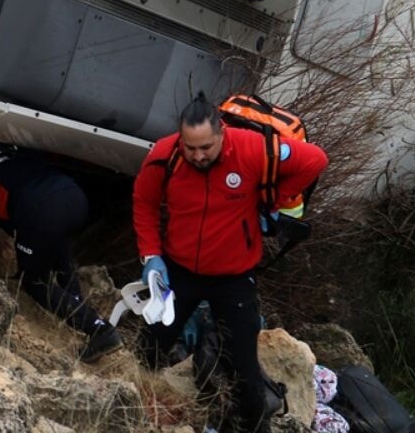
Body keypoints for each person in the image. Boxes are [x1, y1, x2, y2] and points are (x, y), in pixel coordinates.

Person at [132, 93, 327, 433]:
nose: (198, 155)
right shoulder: (165, 155)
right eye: (190, 147)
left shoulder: (251, 149)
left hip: (233, 276)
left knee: (244, 373)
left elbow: (314, 160)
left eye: (206, 147)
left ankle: (248, 428)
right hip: (179, 272)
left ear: (221, 133)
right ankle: (133, 412)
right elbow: (144, 202)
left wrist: (273, 201)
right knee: (148, 348)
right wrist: (151, 256)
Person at [0, 137, 123, 363]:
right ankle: (77, 302)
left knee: (34, 281)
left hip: (40, 209)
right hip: (72, 194)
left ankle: (99, 329)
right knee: (55, 240)